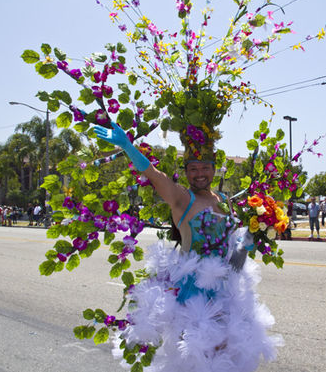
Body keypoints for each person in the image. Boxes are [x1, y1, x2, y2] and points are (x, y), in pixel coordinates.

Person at [93, 120, 282, 371]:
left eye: (205, 167)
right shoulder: (181, 198)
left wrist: (250, 240)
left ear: (214, 169)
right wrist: (128, 146)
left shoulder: (224, 200)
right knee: (198, 356)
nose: (200, 173)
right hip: (194, 293)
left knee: (225, 354)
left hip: (227, 290)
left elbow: (233, 252)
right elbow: (153, 173)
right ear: (186, 171)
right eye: (193, 168)